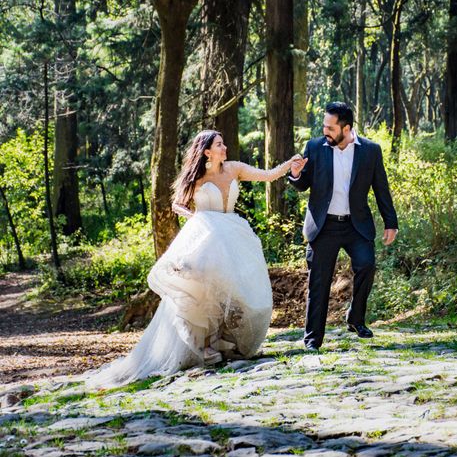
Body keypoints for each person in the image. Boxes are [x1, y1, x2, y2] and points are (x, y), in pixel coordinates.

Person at [85, 130, 301, 388]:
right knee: (202, 291)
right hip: (207, 238)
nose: (225, 147)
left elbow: (267, 175)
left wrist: (290, 164)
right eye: (219, 144)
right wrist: (197, 220)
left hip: (233, 236)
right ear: (207, 151)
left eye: (223, 143)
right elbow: (178, 204)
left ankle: (228, 341)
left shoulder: (234, 169)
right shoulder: (196, 177)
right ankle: (204, 345)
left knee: (235, 289)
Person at [289, 102, 398, 351]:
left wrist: (391, 222)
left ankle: (355, 317)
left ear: (346, 128)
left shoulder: (370, 150)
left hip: (355, 225)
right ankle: (313, 339)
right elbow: (302, 183)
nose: (324, 131)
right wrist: (295, 174)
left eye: (330, 127)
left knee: (366, 264)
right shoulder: (315, 147)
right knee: (319, 281)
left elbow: (381, 187)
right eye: (324, 126)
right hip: (323, 225)